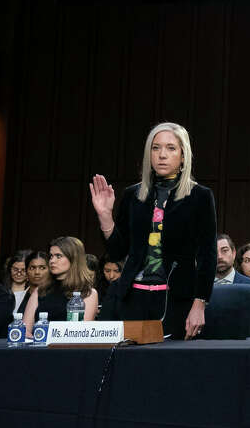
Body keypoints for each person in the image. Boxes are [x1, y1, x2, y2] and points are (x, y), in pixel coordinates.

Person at [89, 122, 216, 340]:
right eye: (155, 148)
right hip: (132, 298)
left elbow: (207, 255)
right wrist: (105, 217)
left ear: (183, 156)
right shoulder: (133, 194)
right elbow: (118, 252)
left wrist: (199, 304)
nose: (162, 155)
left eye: (170, 148)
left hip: (176, 300)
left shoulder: (200, 196)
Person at [23, 237, 98, 326]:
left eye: (58, 256)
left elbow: (81, 333)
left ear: (73, 259)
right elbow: (25, 329)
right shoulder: (41, 290)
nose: (52, 261)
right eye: (51, 256)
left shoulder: (88, 292)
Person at [4, 251, 31, 316]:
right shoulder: (1, 289)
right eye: (15, 269)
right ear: (9, 269)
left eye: (23, 270)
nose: (19, 273)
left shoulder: (33, 291)